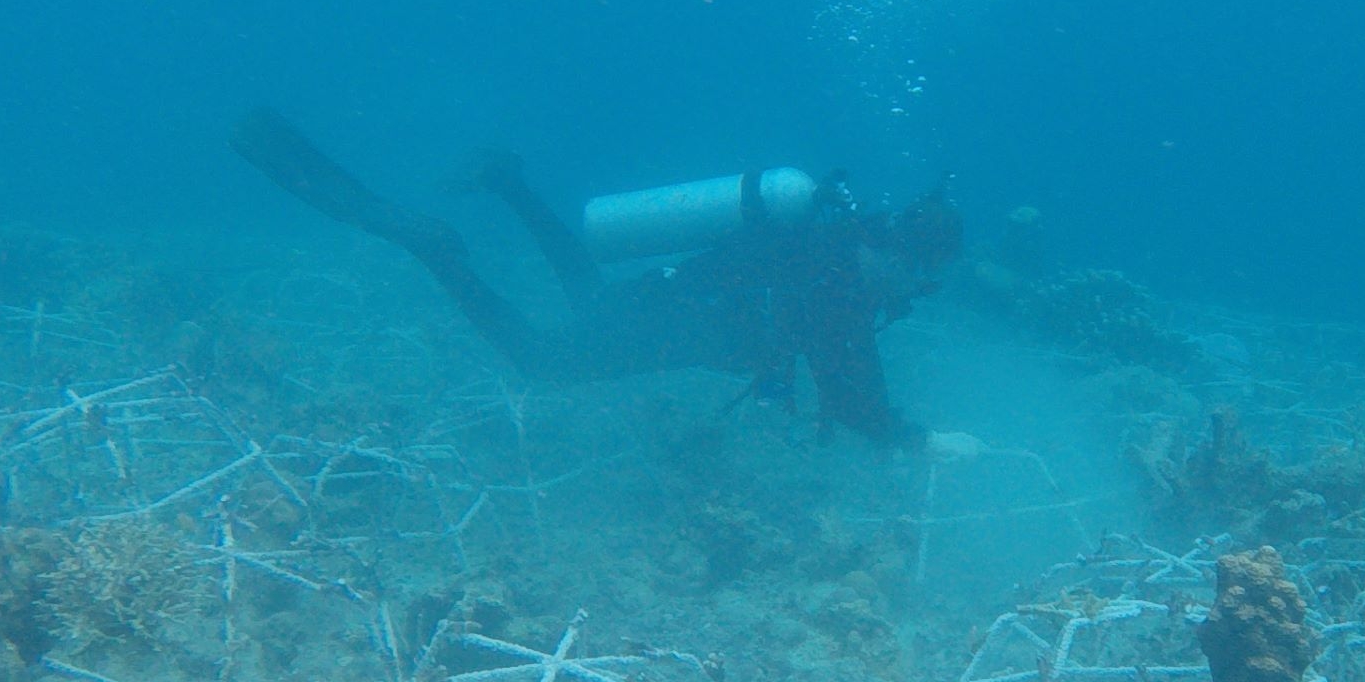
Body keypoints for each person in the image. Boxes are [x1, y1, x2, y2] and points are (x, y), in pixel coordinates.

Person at [229, 108, 965, 450]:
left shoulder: (822, 236)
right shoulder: (841, 282)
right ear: (904, 258)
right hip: (677, 321)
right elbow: (856, 395)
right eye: (919, 283)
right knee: (543, 361)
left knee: (592, 299)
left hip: (668, 296)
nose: (910, 299)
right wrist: (925, 440)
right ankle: (435, 248)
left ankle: (509, 183)